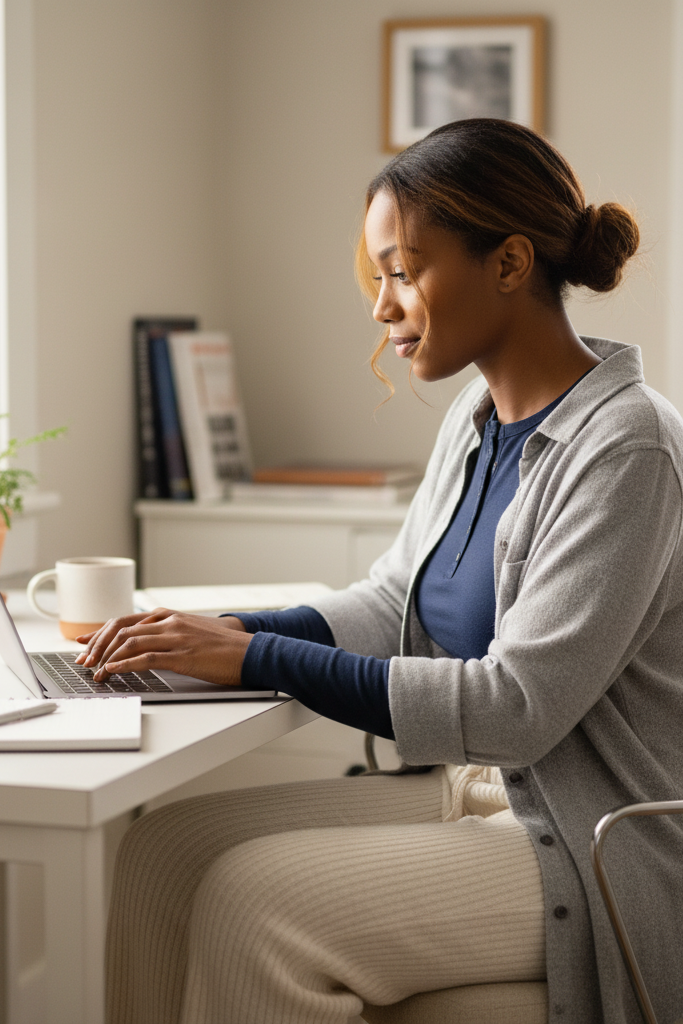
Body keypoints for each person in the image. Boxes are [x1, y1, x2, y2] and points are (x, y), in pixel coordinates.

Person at [88, 119, 683, 1024]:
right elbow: (390, 598)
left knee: (260, 903)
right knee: (160, 853)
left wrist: (249, 661)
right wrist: (225, 636)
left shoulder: (627, 447)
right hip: (473, 792)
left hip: (590, 831)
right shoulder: (478, 416)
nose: (381, 306)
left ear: (509, 263)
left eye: (403, 272)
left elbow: (514, 709)